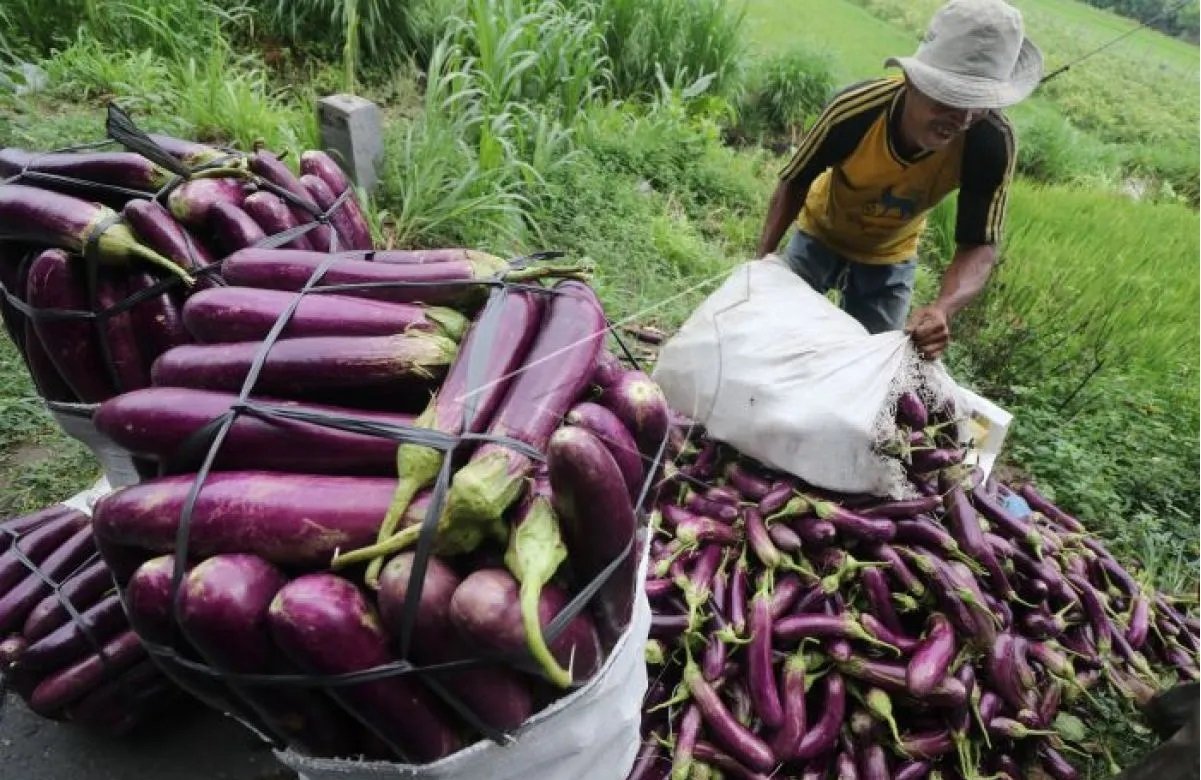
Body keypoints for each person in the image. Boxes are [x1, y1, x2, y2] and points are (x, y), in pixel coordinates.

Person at [755, 0, 1043, 360]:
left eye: (979, 102)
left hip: (891, 254)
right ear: (912, 80)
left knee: (870, 363)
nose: (963, 117)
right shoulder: (857, 110)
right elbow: (796, 180)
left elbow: (979, 244)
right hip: (821, 231)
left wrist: (942, 309)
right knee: (769, 331)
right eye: (951, 98)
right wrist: (762, 259)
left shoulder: (990, 140)